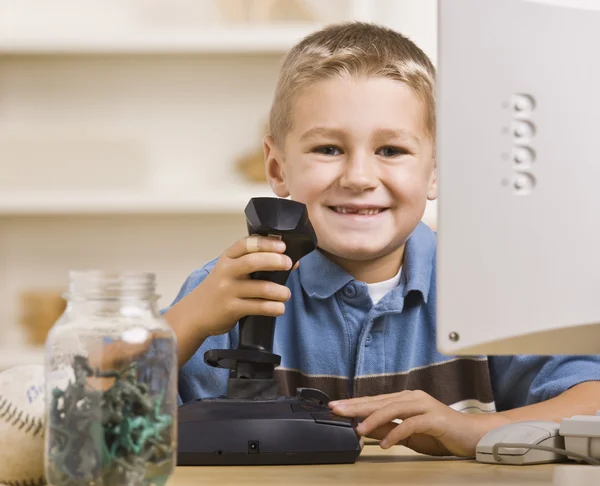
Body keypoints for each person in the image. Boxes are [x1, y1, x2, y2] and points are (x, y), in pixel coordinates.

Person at [162, 21, 600, 456]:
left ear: (435, 170)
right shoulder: (226, 291)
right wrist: (187, 321)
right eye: (328, 149)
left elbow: (592, 402)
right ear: (277, 169)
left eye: (390, 151)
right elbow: (110, 422)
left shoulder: (495, 288)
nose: (358, 177)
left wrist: (473, 429)